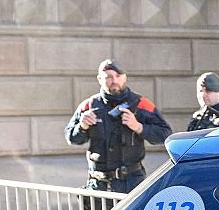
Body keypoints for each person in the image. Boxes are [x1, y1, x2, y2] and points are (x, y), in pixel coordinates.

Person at [66, 59, 172, 195]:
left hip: (131, 182)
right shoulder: (89, 105)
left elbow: (165, 134)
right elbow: (71, 138)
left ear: (125, 77)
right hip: (99, 184)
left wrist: (139, 127)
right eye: (108, 77)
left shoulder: (141, 104)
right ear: (99, 79)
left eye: (118, 76)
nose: (114, 80)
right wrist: (82, 126)